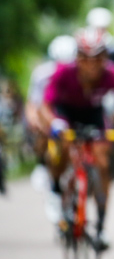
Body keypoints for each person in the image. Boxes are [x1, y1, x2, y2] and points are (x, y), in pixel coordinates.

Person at [40, 27, 114, 249]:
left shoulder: (113, 74)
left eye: (97, 58)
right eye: (85, 58)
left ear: (105, 58)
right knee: (60, 148)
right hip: (67, 113)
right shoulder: (63, 72)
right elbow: (45, 105)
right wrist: (54, 123)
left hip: (94, 113)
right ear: (77, 57)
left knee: (102, 162)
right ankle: (56, 189)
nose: (91, 65)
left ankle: (100, 227)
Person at [25, 35, 77, 198]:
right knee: (41, 125)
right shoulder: (42, 74)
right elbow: (33, 103)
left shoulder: (79, 73)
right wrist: (34, 120)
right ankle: (42, 163)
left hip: (69, 111)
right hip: (47, 110)